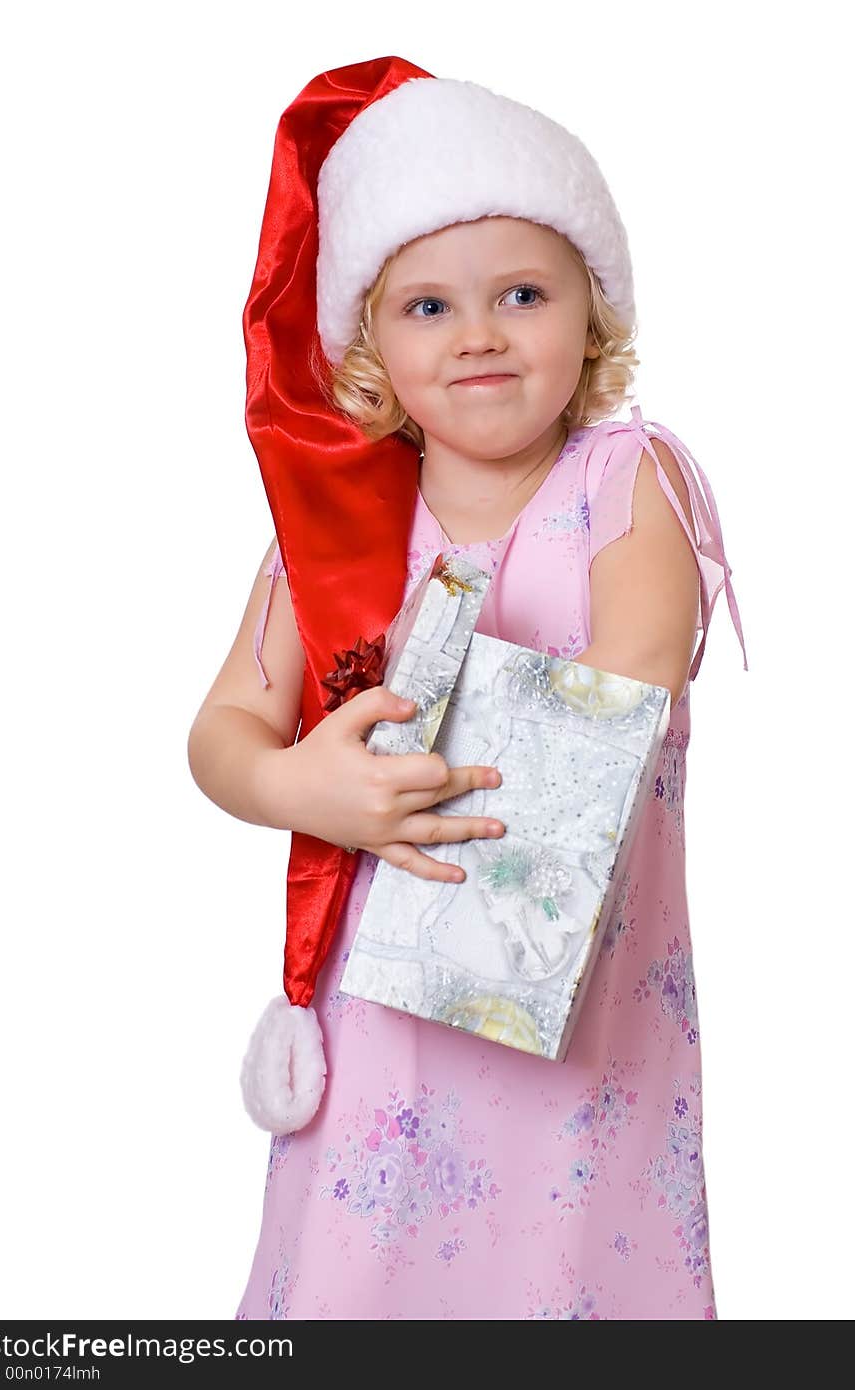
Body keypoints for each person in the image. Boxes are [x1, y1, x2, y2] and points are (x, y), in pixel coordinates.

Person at [187, 56, 748, 1320]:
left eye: (522, 292)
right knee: (358, 1279)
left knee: (567, 1276)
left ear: (591, 316)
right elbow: (225, 729)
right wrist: (300, 781)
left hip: (576, 1008)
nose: (481, 331)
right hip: (388, 1022)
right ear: (369, 348)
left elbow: (636, 669)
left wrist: (452, 752)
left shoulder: (627, 483)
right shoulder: (333, 548)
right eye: (428, 307)